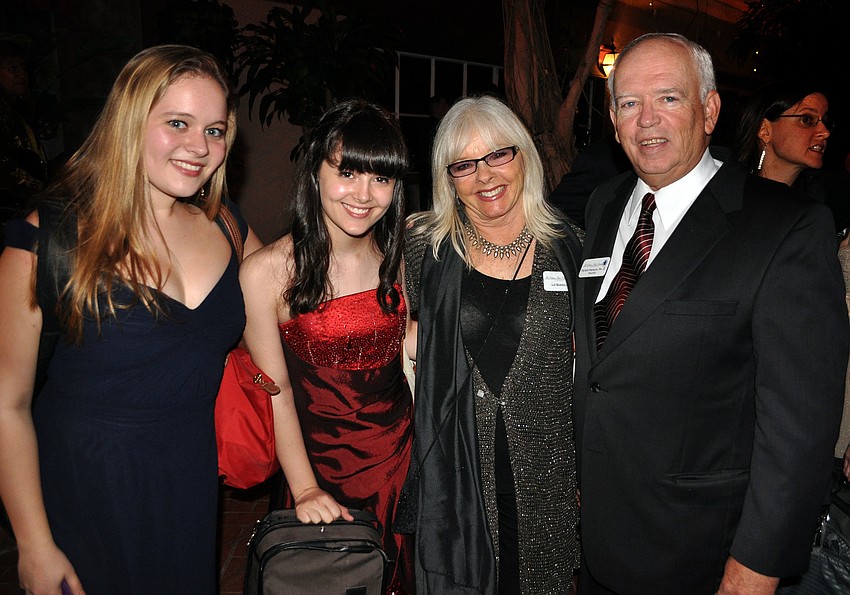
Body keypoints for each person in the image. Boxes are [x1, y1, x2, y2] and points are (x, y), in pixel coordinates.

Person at [573, 33, 848, 595]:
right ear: (613, 117)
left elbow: (799, 428)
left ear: (710, 110)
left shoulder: (784, 228)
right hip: (597, 540)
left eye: (669, 98)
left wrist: (757, 567)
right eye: (629, 103)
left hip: (702, 557)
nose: (647, 120)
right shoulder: (605, 204)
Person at [0, 44, 262, 595]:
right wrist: (33, 544)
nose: (200, 147)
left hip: (189, 480)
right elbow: (7, 402)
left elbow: (301, 302)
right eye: (177, 123)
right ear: (129, 122)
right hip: (84, 490)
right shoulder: (48, 237)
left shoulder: (228, 228)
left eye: (215, 130)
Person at [402, 94, 583, 594]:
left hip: (546, 476)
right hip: (457, 474)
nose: (484, 176)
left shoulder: (572, 247)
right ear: (448, 178)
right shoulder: (425, 246)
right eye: (464, 164)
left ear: (524, 155)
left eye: (498, 155)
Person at [239, 99, 415, 594]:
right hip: (320, 468)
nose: (364, 194)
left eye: (380, 179)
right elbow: (274, 392)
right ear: (315, 172)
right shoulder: (266, 272)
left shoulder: (399, 258)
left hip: (403, 461)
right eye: (348, 173)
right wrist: (304, 486)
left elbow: (406, 358)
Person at [734, 80, 850, 244]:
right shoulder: (726, 193)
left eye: (825, 122)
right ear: (765, 130)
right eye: (807, 120)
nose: (824, 132)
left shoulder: (830, 203)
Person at [0, 39, 48, 242]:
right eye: (13, 68)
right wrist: (44, 194)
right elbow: (4, 168)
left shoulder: (15, 109)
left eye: (24, 69)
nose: (22, 75)